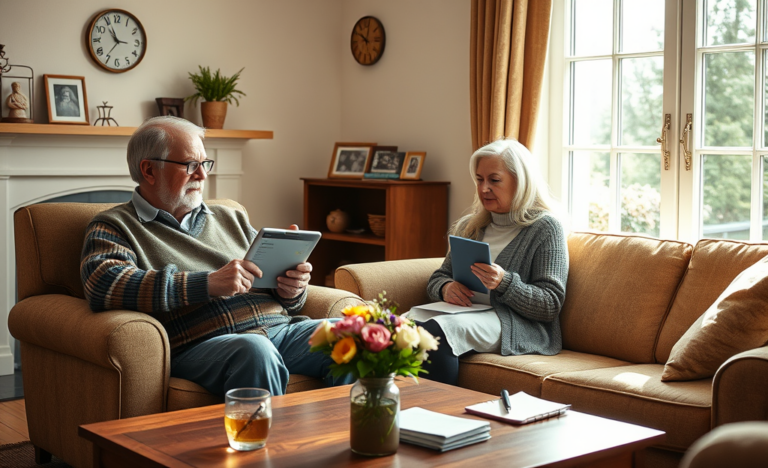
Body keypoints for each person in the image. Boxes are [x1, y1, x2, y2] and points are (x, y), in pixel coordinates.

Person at [80, 116, 354, 397]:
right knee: (254, 349)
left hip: (280, 330)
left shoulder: (230, 216)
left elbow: (288, 299)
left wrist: (291, 288)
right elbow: (104, 284)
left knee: (353, 333)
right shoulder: (115, 225)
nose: (202, 175)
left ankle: (350, 439)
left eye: (205, 164)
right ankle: (267, 442)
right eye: (190, 165)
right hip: (202, 345)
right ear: (149, 170)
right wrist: (208, 283)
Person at [417, 138, 568, 386]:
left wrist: (504, 282)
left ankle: (440, 413)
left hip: (514, 323)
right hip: (465, 314)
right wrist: (446, 288)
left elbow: (550, 304)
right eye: (479, 179)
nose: (484, 188)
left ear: (520, 182)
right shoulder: (471, 225)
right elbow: (439, 277)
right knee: (400, 327)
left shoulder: (545, 228)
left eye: (494, 180)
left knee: (435, 333)